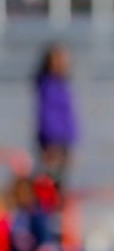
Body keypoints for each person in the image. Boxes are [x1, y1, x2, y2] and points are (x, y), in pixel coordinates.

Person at [32, 43, 79, 187]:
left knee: (60, 181)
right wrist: (51, 143)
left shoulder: (61, 84)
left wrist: (71, 139)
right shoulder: (48, 85)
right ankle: (44, 208)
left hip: (63, 139)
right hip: (53, 140)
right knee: (50, 181)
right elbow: (47, 115)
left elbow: (68, 115)